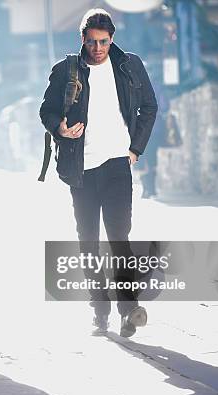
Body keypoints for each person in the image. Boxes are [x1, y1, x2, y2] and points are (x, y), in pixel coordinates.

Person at [39, 9, 158, 337]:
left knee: (119, 239)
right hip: (81, 170)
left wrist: (136, 148)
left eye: (103, 41)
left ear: (112, 39)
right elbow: (46, 110)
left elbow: (150, 106)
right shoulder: (66, 69)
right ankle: (99, 310)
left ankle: (128, 309)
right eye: (91, 42)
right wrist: (60, 128)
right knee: (88, 242)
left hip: (118, 164)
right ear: (82, 39)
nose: (97, 48)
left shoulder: (129, 64)